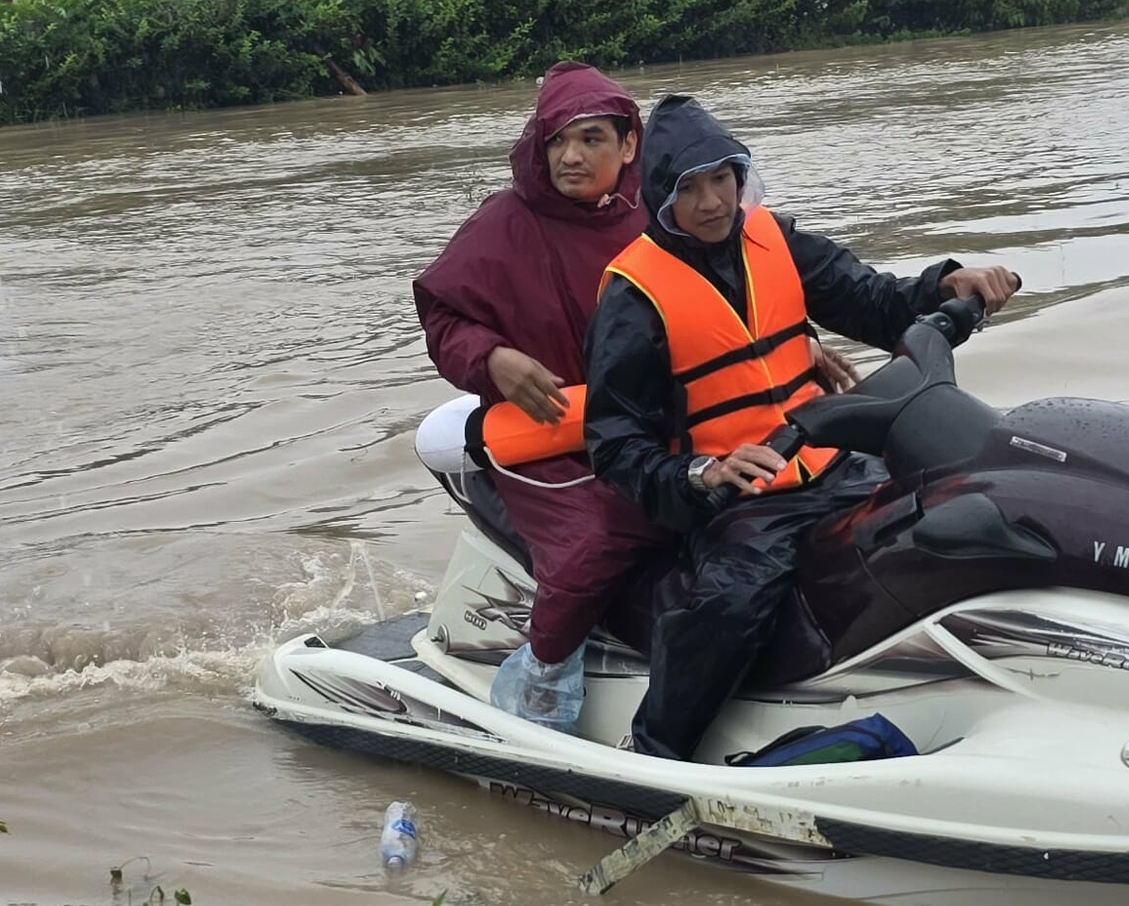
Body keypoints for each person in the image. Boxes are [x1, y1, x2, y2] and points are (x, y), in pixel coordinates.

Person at [583, 95, 1019, 759]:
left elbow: (873, 301)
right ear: (660, 199)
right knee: (733, 604)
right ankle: (657, 750)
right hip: (741, 497)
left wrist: (944, 283)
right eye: (688, 189)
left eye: (721, 180)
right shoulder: (631, 296)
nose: (711, 202)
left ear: (739, 176)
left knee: (963, 501)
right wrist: (701, 474)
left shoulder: (776, 240)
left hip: (833, 458)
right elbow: (613, 443)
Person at [412, 62, 672, 730]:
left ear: (630, 144)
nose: (570, 156)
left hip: (660, 427)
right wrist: (492, 359)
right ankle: (542, 680)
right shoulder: (505, 222)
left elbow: (739, 286)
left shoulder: (664, 213)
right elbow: (443, 317)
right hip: (553, 443)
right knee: (599, 539)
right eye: (557, 140)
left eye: (589, 139)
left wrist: (801, 341)